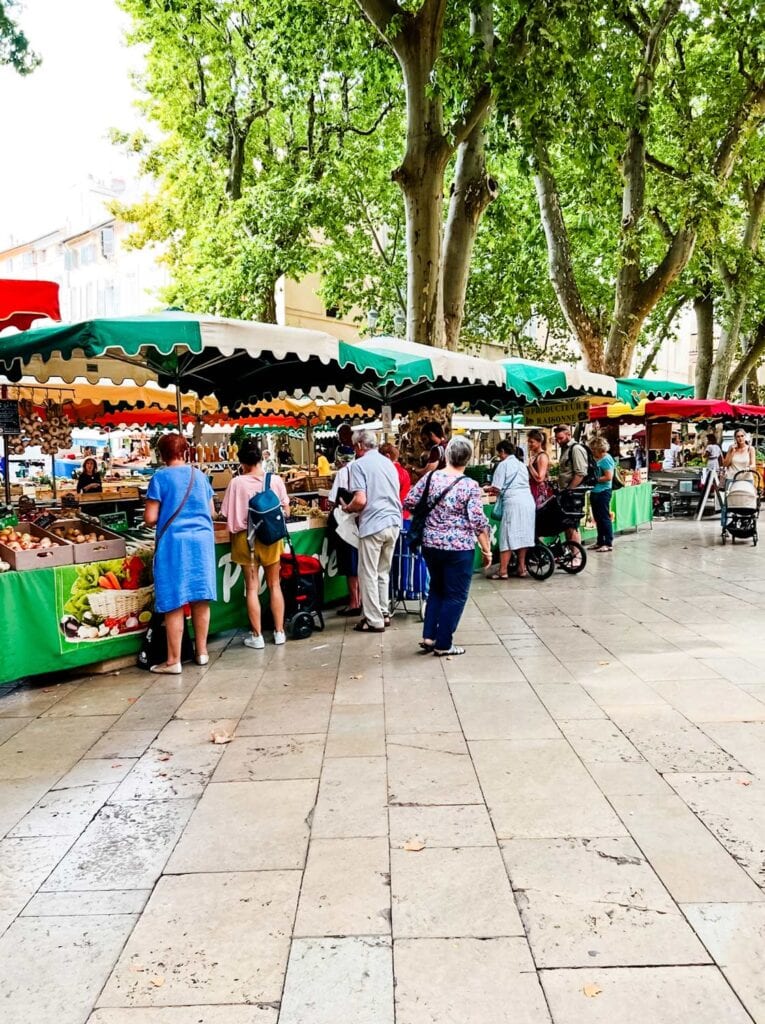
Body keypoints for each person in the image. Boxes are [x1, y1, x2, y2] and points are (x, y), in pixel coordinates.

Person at [404, 437, 491, 656]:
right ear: (468, 459)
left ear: (447, 455)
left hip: (431, 544)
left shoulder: (431, 477)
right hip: (459, 548)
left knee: (437, 588)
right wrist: (487, 549)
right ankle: (444, 644)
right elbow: (478, 522)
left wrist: (434, 518)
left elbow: (409, 501)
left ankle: (429, 636)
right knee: (456, 595)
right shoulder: (470, 486)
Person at [144, 433, 216, 673]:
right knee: (200, 596)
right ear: (185, 452)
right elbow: (212, 512)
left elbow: (151, 517)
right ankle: (202, 652)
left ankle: (174, 661)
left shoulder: (160, 477)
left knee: (174, 600)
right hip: (203, 541)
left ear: (161, 454)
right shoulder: (201, 476)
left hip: (175, 543)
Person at [220, 439, 289, 649]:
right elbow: (286, 511)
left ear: (242, 462)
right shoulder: (275, 480)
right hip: (271, 539)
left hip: (244, 539)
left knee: (251, 588)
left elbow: (225, 514)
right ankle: (279, 633)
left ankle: (257, 636)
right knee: (275, 585)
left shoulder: (236, 483)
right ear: (260, 458)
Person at [342, 429, 402, 632]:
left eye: (353, 446)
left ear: (359, 446)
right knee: (383, 571)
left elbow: (360, 500)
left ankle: (373, 619)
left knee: (367, 572)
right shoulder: (389, 464)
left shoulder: (358, 465)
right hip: (393, 522)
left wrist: (348, 507)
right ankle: (383, 613)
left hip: (374, 524)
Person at [486, 440, 536, 578]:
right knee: (523, 535)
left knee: (507, 536)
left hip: (513, 502)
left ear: (502, 451)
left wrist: (486, 488)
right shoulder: (522, 465)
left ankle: (503, 570)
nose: (499, 456)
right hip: (528, 501)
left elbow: (496, 488)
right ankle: (521, 568)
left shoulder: (503, 465)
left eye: (499, 453)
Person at [327, 460, 361, 618]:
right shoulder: (366, 469)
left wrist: (346, 506)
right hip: (363, 522)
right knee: (360, 564)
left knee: (350, 564)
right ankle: (360, 601)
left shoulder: (344, 472)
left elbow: (333, 499)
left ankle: (354, 602)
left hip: (346, 523)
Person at [553, 424, 589, 544]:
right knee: (568, 525)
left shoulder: (576, 449)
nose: (558, 441)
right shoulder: (565, 449)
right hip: (566, 492)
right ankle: (573, 553)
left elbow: (580, 473)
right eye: (556, 439)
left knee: (572, 525)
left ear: (569, 434)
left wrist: (569, 490)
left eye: (561, 438)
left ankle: (576, 556)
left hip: (573, 494)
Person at [590, 436, 615, 552]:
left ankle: (608, 542)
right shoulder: (597, 458)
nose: (592, 452)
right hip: (595, 491)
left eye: (594, 449)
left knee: (604, 517)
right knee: (598, 518)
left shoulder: (606, 459)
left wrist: (594, 479)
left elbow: (608, 477)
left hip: (603, 491)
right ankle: (600, 541)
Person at [380, 442, 411, 512]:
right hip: (402, 512)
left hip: (385, 513)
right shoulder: (404, 473)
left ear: (387, 456)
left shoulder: (384, 472)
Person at [526, 429, 552, 507]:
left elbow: (540, 478)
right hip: (533, 490)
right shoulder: (536, 456)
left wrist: (530, 466)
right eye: (528, 442)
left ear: (539, 442)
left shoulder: (542, 456)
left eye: (532, 442)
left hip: (539, 492)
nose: (529, 444)